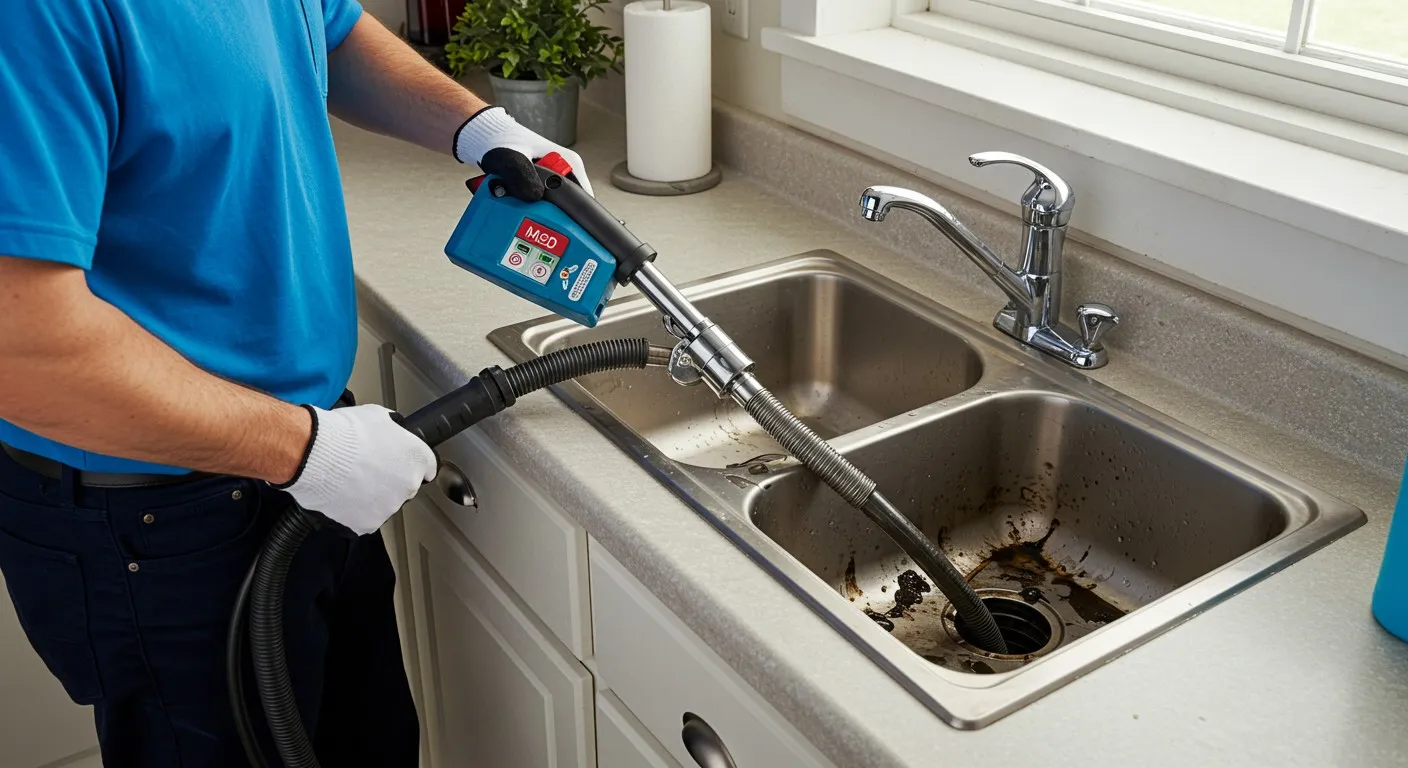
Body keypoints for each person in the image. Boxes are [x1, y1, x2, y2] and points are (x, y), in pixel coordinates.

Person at [0, 2, 587, 765]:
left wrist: (479, 127)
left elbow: (328, 30)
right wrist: (308, 452)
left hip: (305, 455)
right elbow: (24, 352)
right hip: (158, 519)